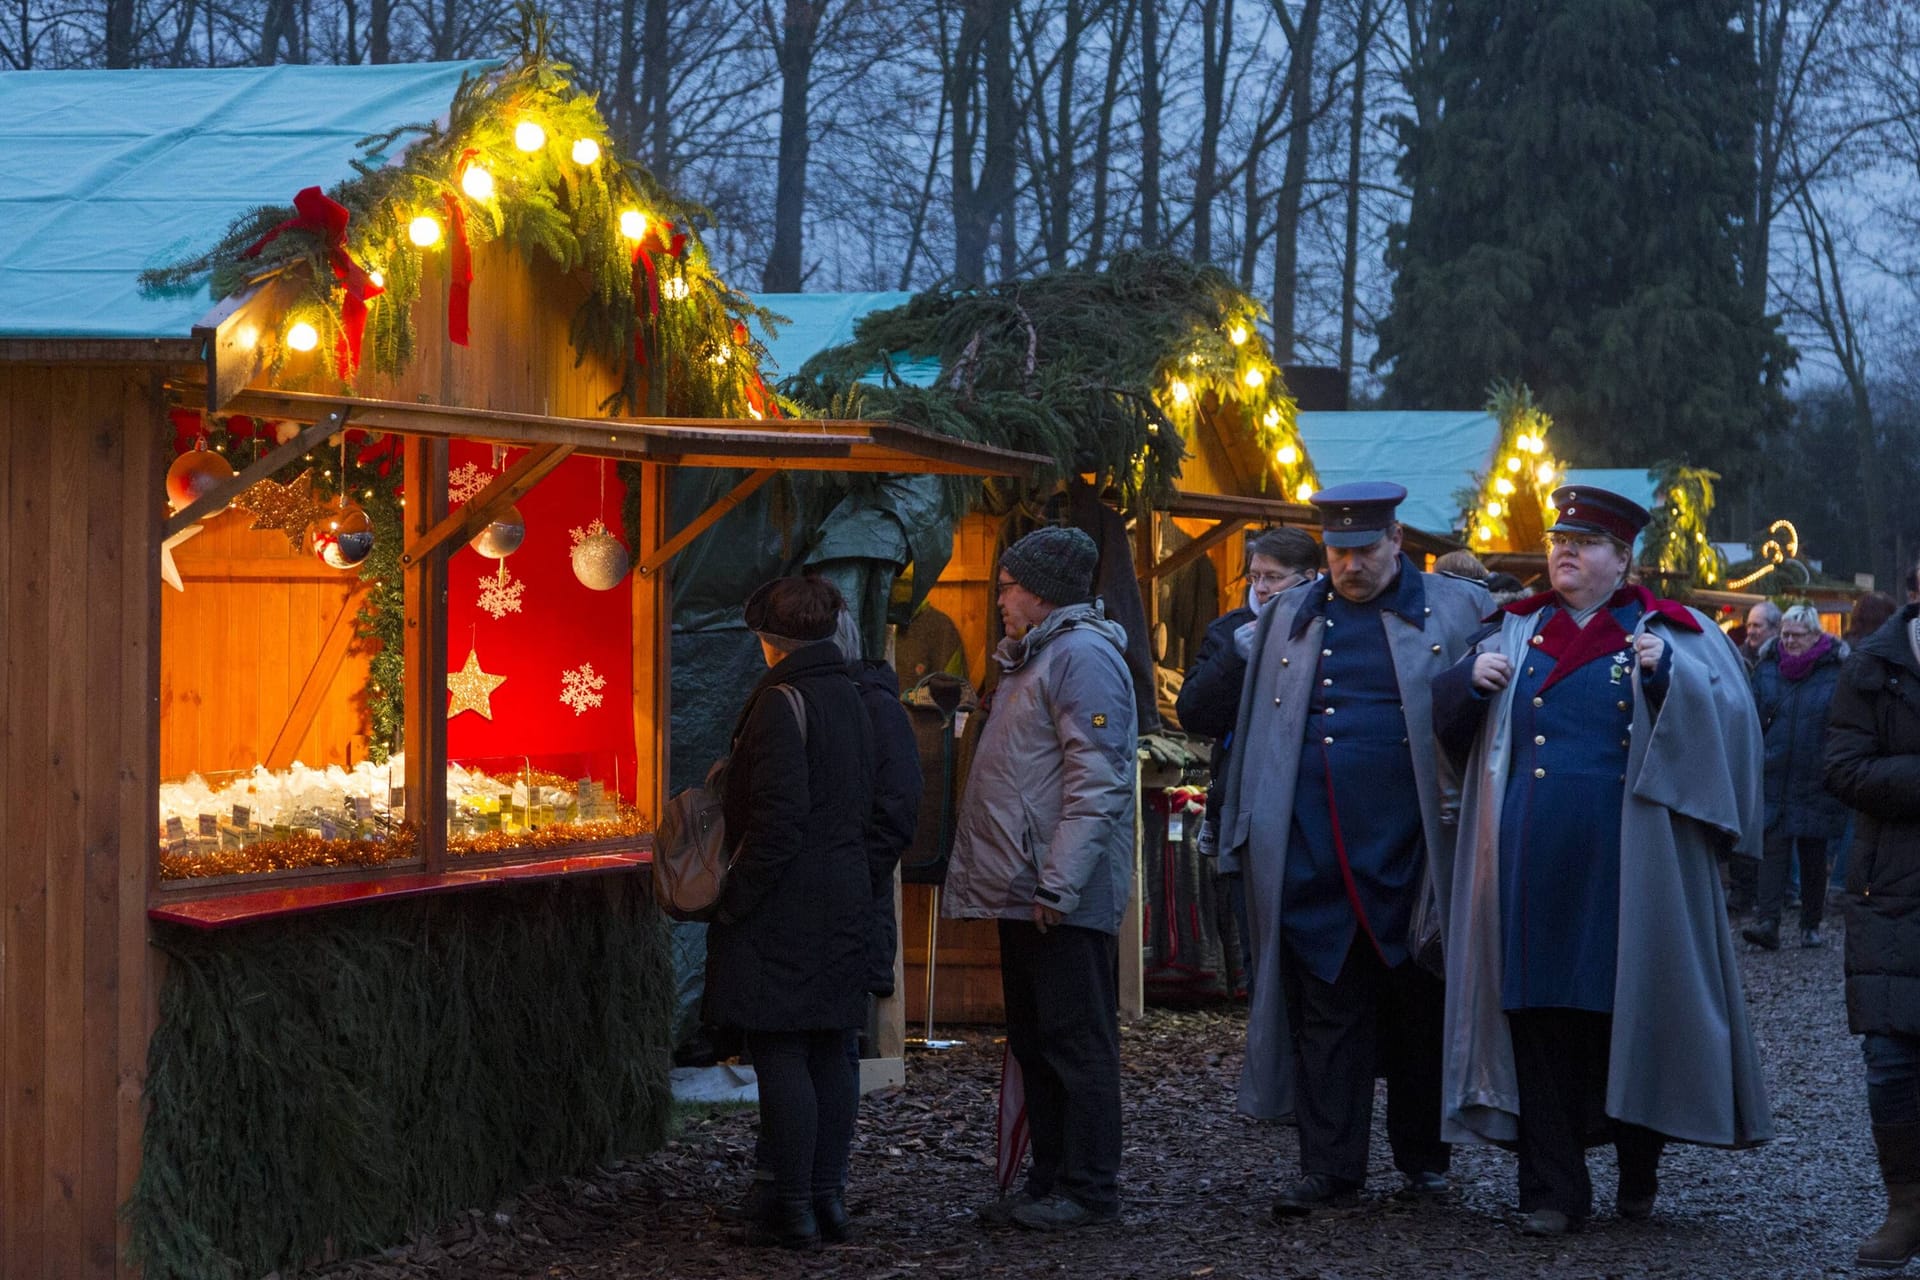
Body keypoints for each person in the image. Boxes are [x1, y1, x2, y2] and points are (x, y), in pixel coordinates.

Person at [1432, 484, 1771, 1237]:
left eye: (1584, 544)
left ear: (1623, 560)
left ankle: (1638, 1169)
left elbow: (1732, 728)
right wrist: (1464, 685)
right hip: (1528, 860)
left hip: (1631, 864)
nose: (1565, 553)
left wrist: (1666, 681)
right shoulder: (1511, 632)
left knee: (1632, 1012)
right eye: (1558, 540)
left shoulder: (1672, 633)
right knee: (1540, 1015)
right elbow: (1450, 737)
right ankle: (1551, 1190)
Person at [1211, 482, 1490, 1217]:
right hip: (1313, 851)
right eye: (1338, 552)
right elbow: (1251, 732)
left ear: (1397, 539)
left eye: (1365, 549)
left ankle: (1425, 1162)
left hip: (1416, 852)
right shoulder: (1289, 619)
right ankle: (1330, 1168)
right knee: (1326, 1015)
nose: (1351, 565)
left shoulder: (1458, 609)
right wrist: (1241, 831)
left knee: (1417, 1008)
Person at [944, 525, 1137, 1232]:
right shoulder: (1041, 655)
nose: (998, 598)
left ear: (1042, 591)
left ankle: (1088, 1191)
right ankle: (1050, 1180)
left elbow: (1098, 777)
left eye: (1007, 586)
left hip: (1056, 894)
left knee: (1075, 1043)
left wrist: (1059, 883)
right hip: (1026, 888)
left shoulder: (1081, 656)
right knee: (1037, 1041)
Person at [702, 576, 875, 1249]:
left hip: (788, 901)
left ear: (768, 640)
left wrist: (735, 900)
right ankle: (828, 1199)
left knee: (780, 1048)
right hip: (845, 892)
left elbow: (776, 824)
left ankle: (794, 1206)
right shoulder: (854, 696)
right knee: (832, 1047)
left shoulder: (782, 702)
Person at [1177, 526, 1323, 986]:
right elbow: (1194, 714)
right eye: (1254, 577)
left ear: (1309, 577)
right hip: (1247, 804)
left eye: (1273, 578)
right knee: (1257, 940)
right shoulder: (1228, 631)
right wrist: (1233, 660)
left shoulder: (1332, 630)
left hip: (1312, 804)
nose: (1260, 588)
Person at [1826, 593, 1920, 1268]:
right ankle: (1907, 1205)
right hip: (1891, 888)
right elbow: (1842, 768)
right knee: (1890, 1064)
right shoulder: (1873, 666)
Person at [1742, 604, 1848, 951]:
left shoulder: (1836, 672)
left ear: (1815, 636)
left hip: (1816, 776)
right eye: (1785, 634)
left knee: (1813, 854)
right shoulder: (1767, 669)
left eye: (1796, 635)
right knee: (1772, 850)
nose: (1788, 640)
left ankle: (1810, 923)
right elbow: (1754, 715)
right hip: (1774, 773)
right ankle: (1768, 921)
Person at [1744, 600, 1783, 670]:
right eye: (1748, 625)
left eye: (1756, 626)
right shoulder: (1738, 656)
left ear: (1775, 629)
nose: (1750, 631)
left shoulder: (1785, 659)